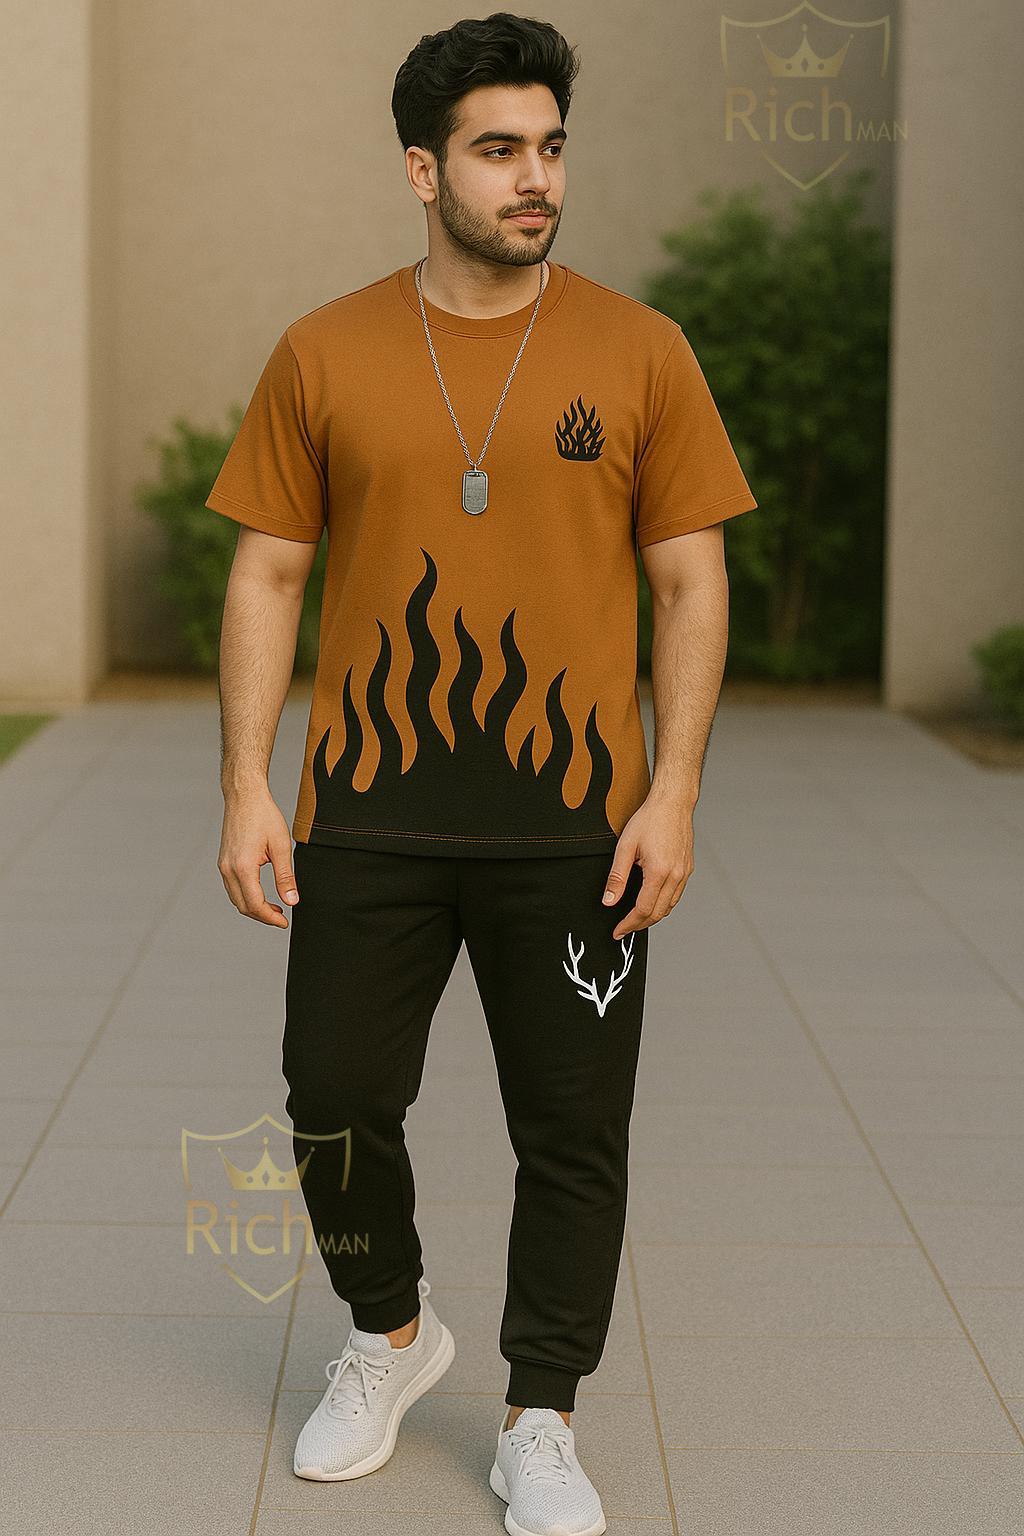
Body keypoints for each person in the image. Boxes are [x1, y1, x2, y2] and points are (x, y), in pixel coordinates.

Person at [207, 13, 757, 1536]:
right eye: (499, 149)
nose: (536, 179)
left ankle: (541, 1417)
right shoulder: (324, 349)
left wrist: (676, 790)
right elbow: (267, 572)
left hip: (579, 827)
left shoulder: (641, 351)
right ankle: (390, 1334)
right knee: (333, 1096)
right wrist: (248, 784)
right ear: (422, 169)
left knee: (571, 1131)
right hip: (368, 809)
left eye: (551, 147)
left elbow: (690, 581)